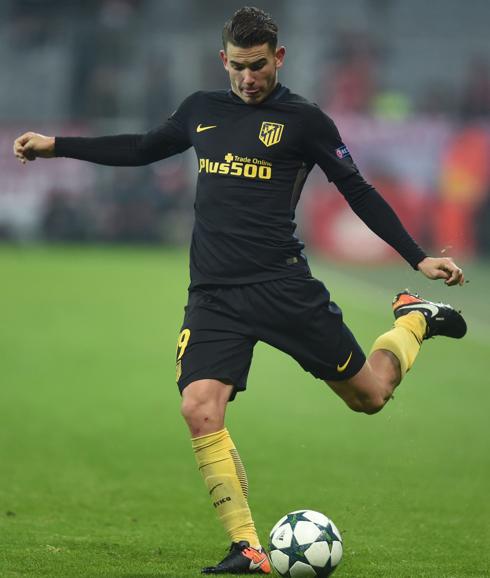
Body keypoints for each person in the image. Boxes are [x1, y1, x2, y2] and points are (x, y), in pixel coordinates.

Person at [13, 7, 467, 575]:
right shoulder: (202, 109)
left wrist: (417, 256)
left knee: (370, 396)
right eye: (237, 67)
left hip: (282, 287)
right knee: (199, 408)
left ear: (278, 57)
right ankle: (247, 547)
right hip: (214, 295)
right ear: (221, 60)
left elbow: (357, 190)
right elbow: (140, 147)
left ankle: (414, 319)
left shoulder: (305, 121)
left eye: (257, 66)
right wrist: (56, 145)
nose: (247, 78)